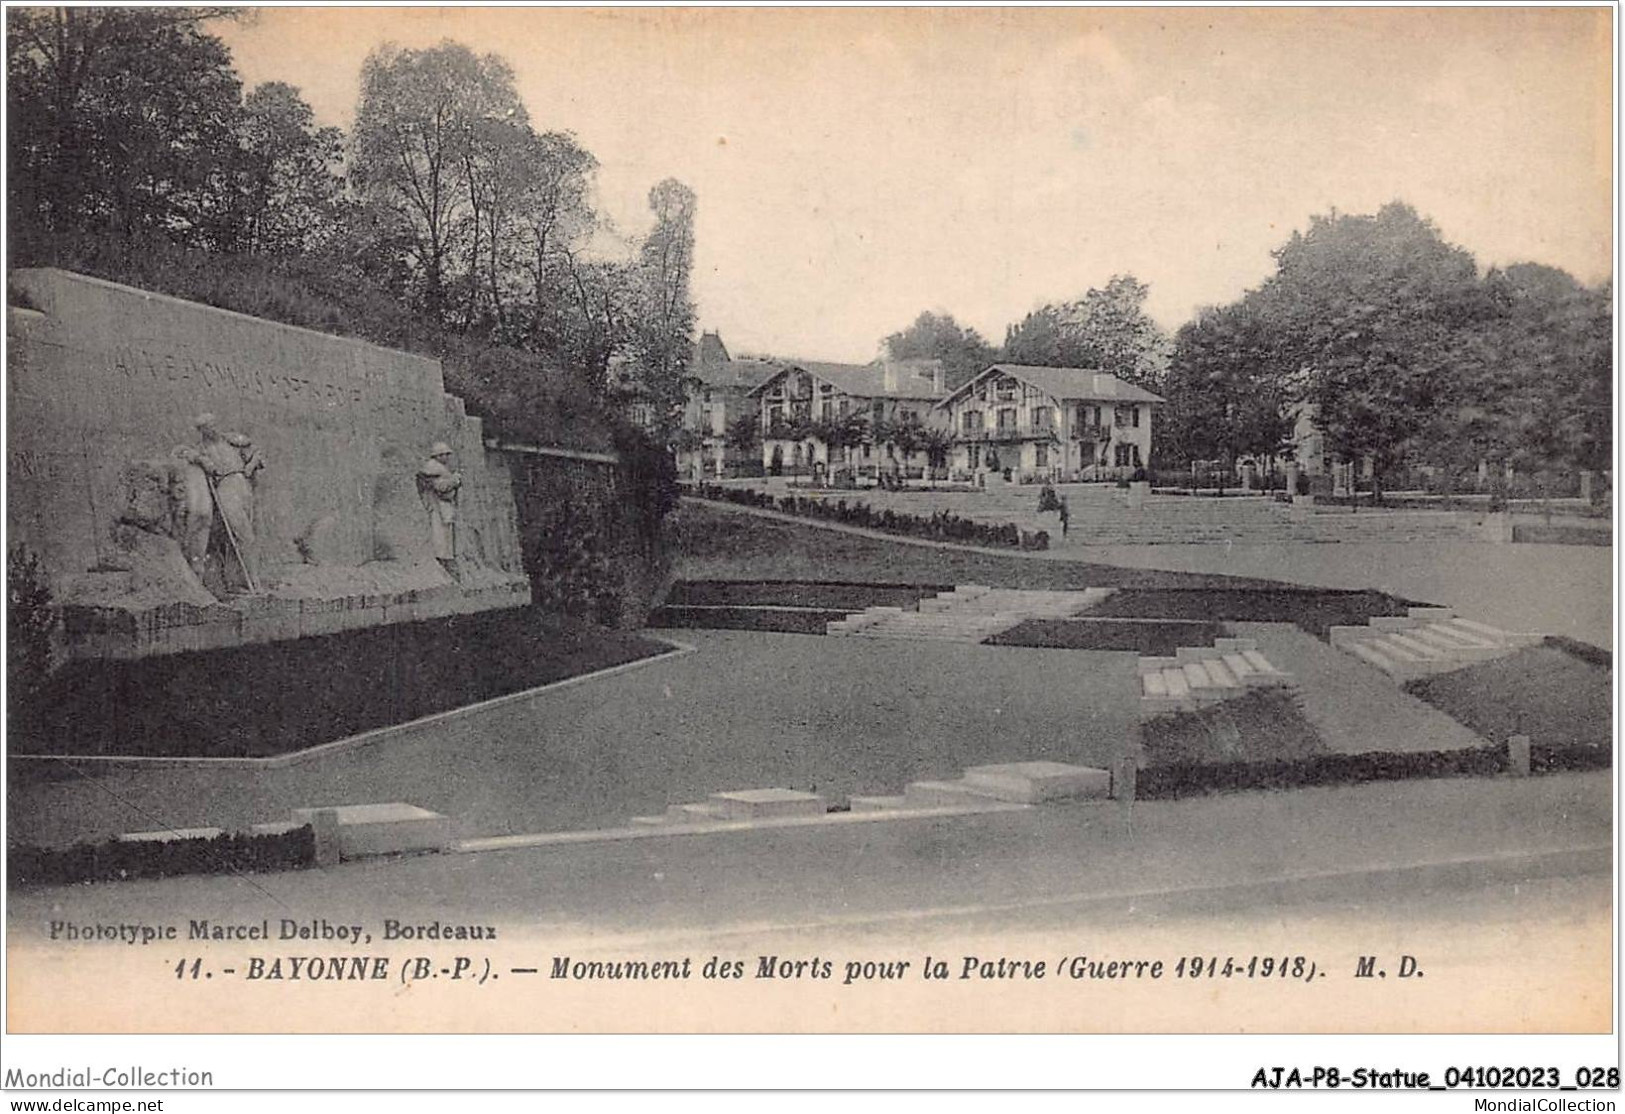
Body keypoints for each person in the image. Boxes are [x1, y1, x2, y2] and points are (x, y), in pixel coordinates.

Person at [174, 413, 257, 590]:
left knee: (246, 532)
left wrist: (250, 466)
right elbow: (180, 452)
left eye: (213, 424)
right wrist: (201, 460)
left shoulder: (232, 440)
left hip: (242, 483)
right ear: (201, 431)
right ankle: (245, 581)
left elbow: (256, 453)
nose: (212, 429)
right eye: (206, 427)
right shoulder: (201, 448)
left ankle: (242, 580)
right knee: (241, 534)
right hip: (225, 485)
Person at [417, 441, 462, 577]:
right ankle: (441, 560)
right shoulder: (433, 468)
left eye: (448, 455)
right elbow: (440, 487)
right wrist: (455, 480)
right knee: (440, 536)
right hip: (437, 507)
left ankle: (445, 560)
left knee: (445, 536)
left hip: (444, 507)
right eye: (444, 455)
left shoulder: (441, 467)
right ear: (438, 455)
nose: (447, 458)